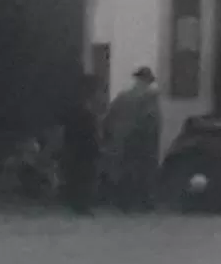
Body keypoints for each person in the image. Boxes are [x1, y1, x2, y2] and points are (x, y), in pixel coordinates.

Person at [104, 67, 163, 213]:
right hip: (141, 139)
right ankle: (143, 202)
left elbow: (109, 117)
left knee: (126, 170)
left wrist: (111, 136)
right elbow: (152, 120)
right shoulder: (149, 97)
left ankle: (124, 202)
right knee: (143, 171)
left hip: (123, 139)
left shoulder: (123, 96)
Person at [58, 75, 102, 216]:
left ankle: (78, 204)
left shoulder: (80, 107)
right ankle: (80, 205)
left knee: (79, 176)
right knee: (83, 176)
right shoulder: (82, 109)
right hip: (82, 150)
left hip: (78, 149)